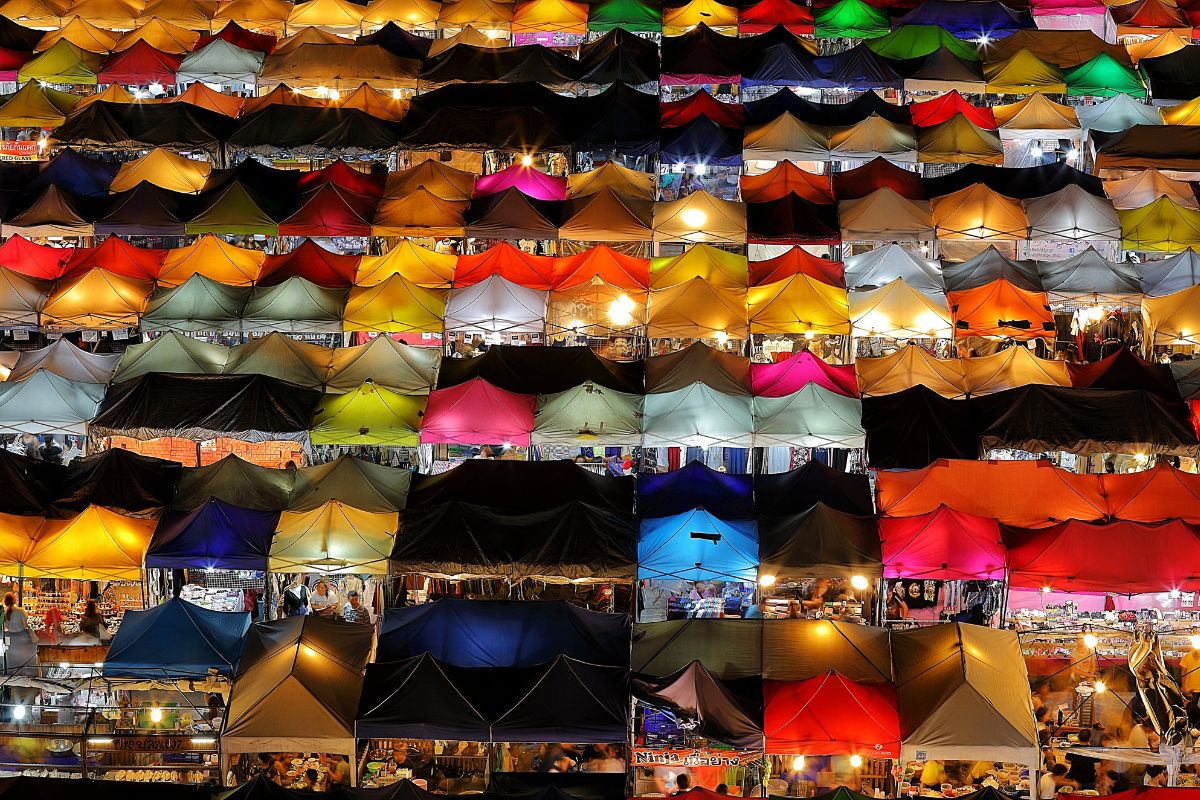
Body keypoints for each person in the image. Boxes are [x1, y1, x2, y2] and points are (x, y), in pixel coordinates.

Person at [1, 593, 34, 673]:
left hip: (11, 637)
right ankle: (21, 672)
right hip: (21, 636)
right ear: (14, 600)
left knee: (13, 656)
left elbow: (5, 626)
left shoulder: (5, 613)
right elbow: (25, 624)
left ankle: (13, 671)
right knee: (22, 656)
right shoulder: (20, 611)